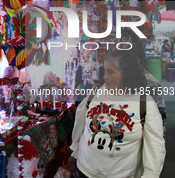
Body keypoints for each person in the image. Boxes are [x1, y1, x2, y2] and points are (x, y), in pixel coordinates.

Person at [68, 50, 165, 178]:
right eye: (105, 70)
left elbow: (155, 145)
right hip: (85, 171)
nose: (105, 76)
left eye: (111, 71)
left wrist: (151, 174)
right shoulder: (95, 94)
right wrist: (74, 151)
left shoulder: (144, 103)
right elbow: (80, 124)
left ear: (127, 74)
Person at [131, 43, 166, 136]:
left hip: (143, 133)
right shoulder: (122, 79)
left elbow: (160, 114)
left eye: (124, 61)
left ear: (136, 60)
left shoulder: (150, 83)